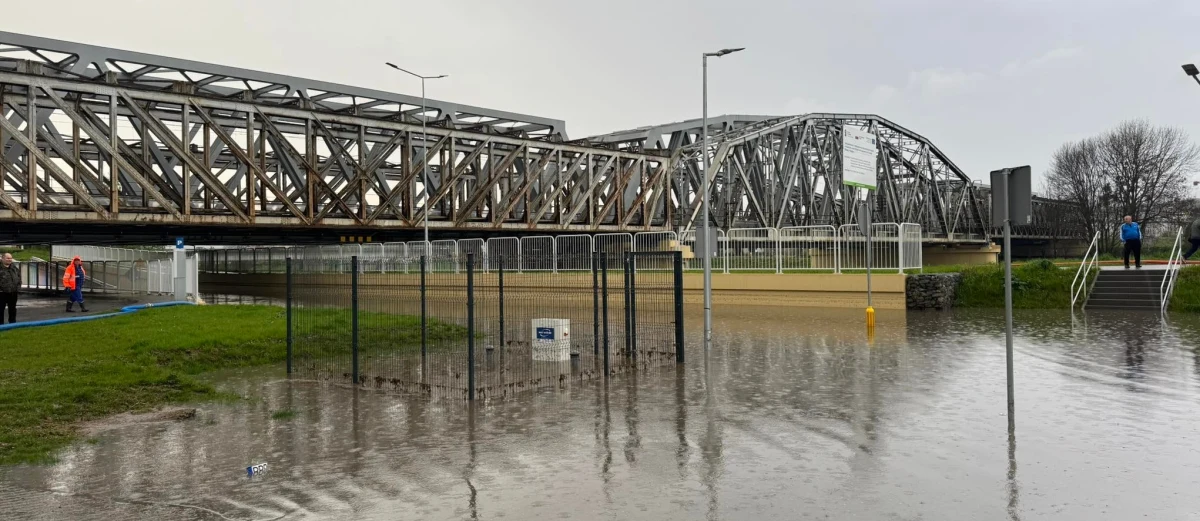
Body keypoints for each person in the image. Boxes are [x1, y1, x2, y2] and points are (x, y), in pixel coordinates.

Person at [0, 253, 19, 324]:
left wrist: (17, 287)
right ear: (2, 259)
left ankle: (12, 324)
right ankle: (1, 326)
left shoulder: (14, 268)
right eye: (8, 258)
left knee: (12, 309)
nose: (10, 259)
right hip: (1, 293)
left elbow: (18, 277)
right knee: (0, 310)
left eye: (10, 258)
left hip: (13, 292)